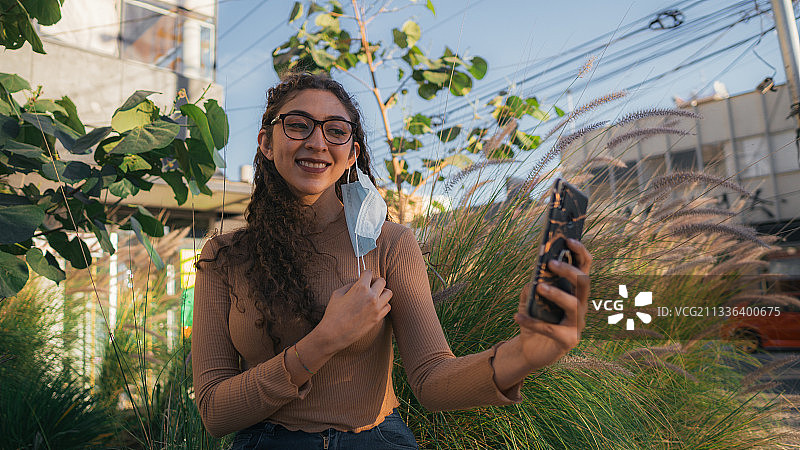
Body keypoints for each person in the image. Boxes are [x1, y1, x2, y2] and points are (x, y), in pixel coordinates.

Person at [192, 72, 592, 449]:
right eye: (298, 125)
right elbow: (213, 411)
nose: (317, 142)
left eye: (335, 131)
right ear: (266, 142)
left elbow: (433, 379)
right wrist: (324, 340)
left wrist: (524, 354)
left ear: (351, 154)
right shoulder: (224, 257)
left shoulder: (390, 244)